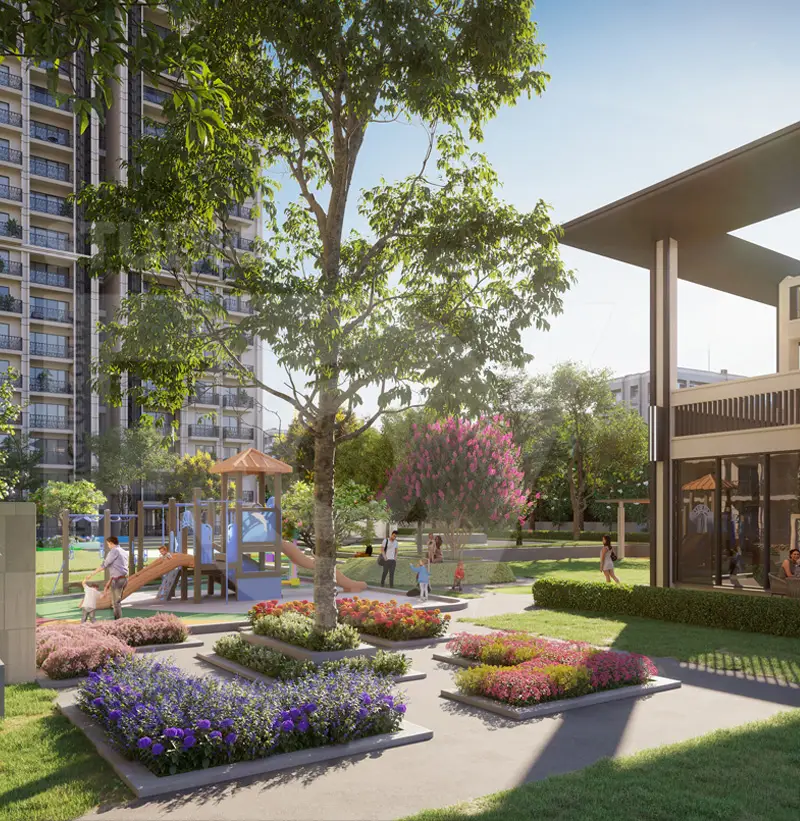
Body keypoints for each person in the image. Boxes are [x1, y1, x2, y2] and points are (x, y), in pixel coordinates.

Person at [88, 535, 129, 619]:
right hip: (124, 579)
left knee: (115, 603)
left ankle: (118, 621)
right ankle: (119, 620)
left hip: (117, 580)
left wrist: (92, 573)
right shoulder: (123, 551)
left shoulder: (114, 551)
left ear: (111, 543)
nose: (108, 546)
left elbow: (105, 564)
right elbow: (118, 567)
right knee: (117, 601)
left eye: (108, 544)